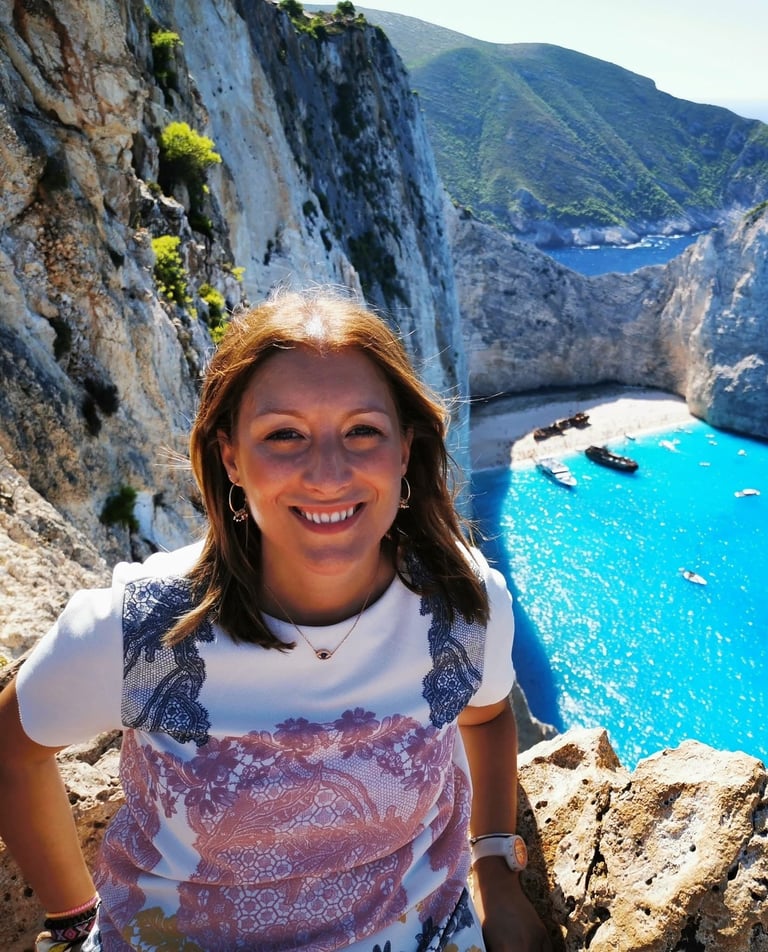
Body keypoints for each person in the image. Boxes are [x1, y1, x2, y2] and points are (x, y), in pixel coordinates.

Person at [0, 287, 552, 952]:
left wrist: (493, 866)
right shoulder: (145, 628)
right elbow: (11, 748)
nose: (327, 472)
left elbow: (486, 714)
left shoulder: (462, 605)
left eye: (362, 431)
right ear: (231, 457)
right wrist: (71, 920)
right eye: (284, 434)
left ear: (404, 449)